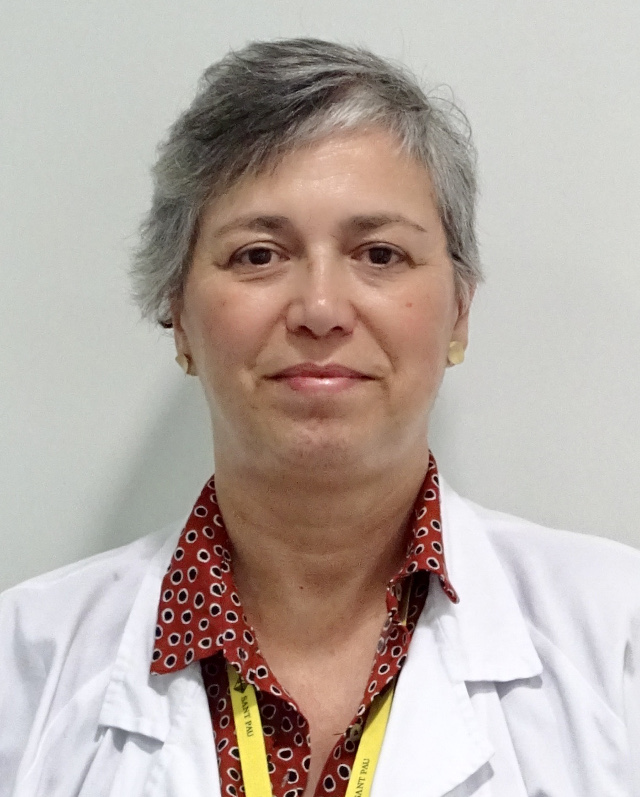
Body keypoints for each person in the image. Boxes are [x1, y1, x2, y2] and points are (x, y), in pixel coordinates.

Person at [0, 37, 639, 797]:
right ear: (180, 319)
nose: (322, 308)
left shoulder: (618, 640)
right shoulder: (24, 664)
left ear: (459, 314)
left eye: (380, 254)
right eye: (259, 255)